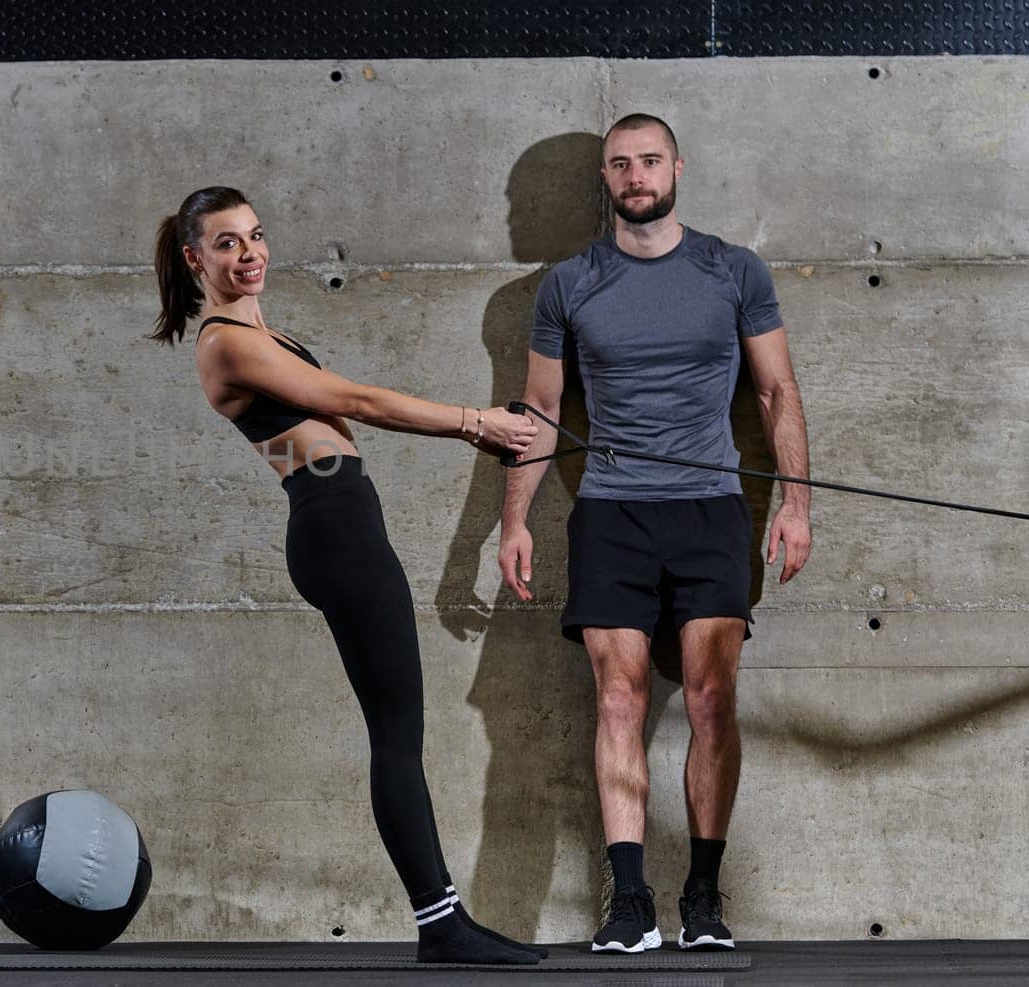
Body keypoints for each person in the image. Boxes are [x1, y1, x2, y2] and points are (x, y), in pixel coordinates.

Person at [151, 186, 546, 965]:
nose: (250, 253)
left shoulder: (267, 332)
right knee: (397, 735)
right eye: (227, 243)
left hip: (346, 522)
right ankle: (441, 924)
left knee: (403, 730)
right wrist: (478, 423)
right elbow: (356, 400)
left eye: (256, 235)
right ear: (196, 258)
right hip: (333, 527)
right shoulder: (225, 342)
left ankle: (445, 921)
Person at [498, 114, 811, 953]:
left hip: (711, 508)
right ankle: (630, 903)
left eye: (648, 160)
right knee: (618, 699)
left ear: (677, 166)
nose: (635, 176)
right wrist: (514, 518)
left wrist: (796, 504)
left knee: (711, 697)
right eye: (619, 165)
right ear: (605, 180)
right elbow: (537, 409)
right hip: (612, 510)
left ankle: (702, 900)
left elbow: (776, 391)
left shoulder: (733, 269)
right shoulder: (570, 283)